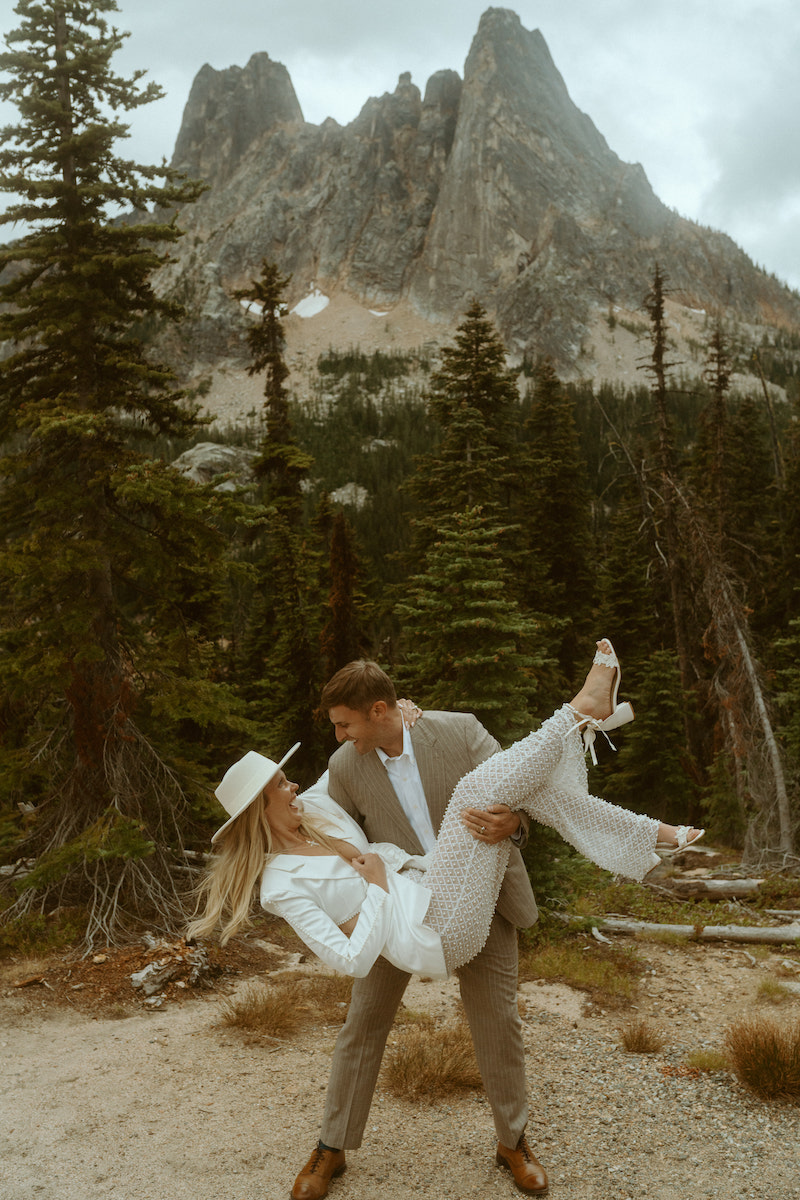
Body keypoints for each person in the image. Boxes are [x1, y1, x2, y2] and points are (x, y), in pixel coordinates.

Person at [190, 641, 702, 1198]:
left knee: (497, 1024)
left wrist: (514, 826)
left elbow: (527, 788)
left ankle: (513, 1141)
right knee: (362, 1025)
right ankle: (331, 1145)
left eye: (346, 724)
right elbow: (289, 815)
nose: (339, 736)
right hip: (401, 909)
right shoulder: (343, 767)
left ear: (380, 711)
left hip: (478, 895)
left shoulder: (456, 730)